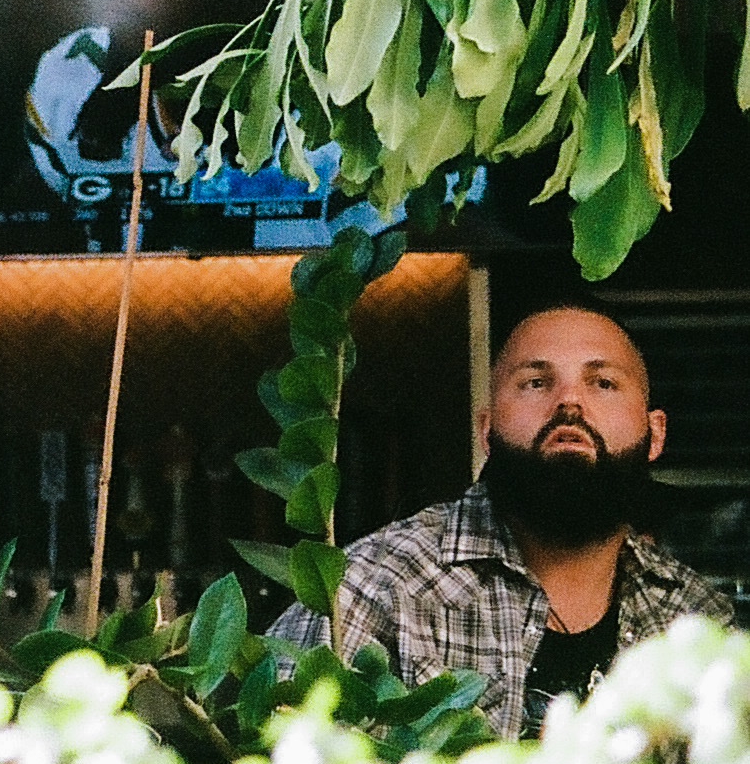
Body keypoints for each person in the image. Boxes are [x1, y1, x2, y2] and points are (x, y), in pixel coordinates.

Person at [273, 305, 733, 739]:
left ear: (656, 434)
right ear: (486, 430)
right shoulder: (373, 590)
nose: (569, 402)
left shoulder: (693, 616)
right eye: (536, 382)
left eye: (603, 383)